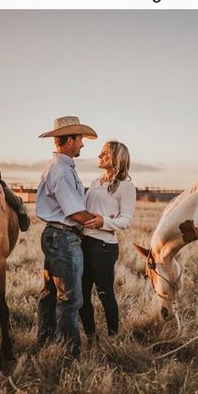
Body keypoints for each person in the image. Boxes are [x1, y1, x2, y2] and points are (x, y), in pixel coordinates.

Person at [36, 116, 98, 358]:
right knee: (70, 299)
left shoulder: (62, 168)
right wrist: (103, 222)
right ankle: (69, 353)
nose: (82, 144)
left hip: (57, 236)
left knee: (50, 294)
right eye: (80, 138)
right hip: (63, 237)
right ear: (69, 139)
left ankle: (46, 342)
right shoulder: (61, 171)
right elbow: (74, 212)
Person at [79, 141, 136, 339]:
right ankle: (91, 337)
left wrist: (104, 221)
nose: (99, 156)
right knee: (82, 294)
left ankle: (113, 337)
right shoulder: (96, 182)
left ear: (116, 158)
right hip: (83, 243)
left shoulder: (126, 186)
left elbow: (127, 220)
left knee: (105, 294)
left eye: (104, 153)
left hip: (103, 247)